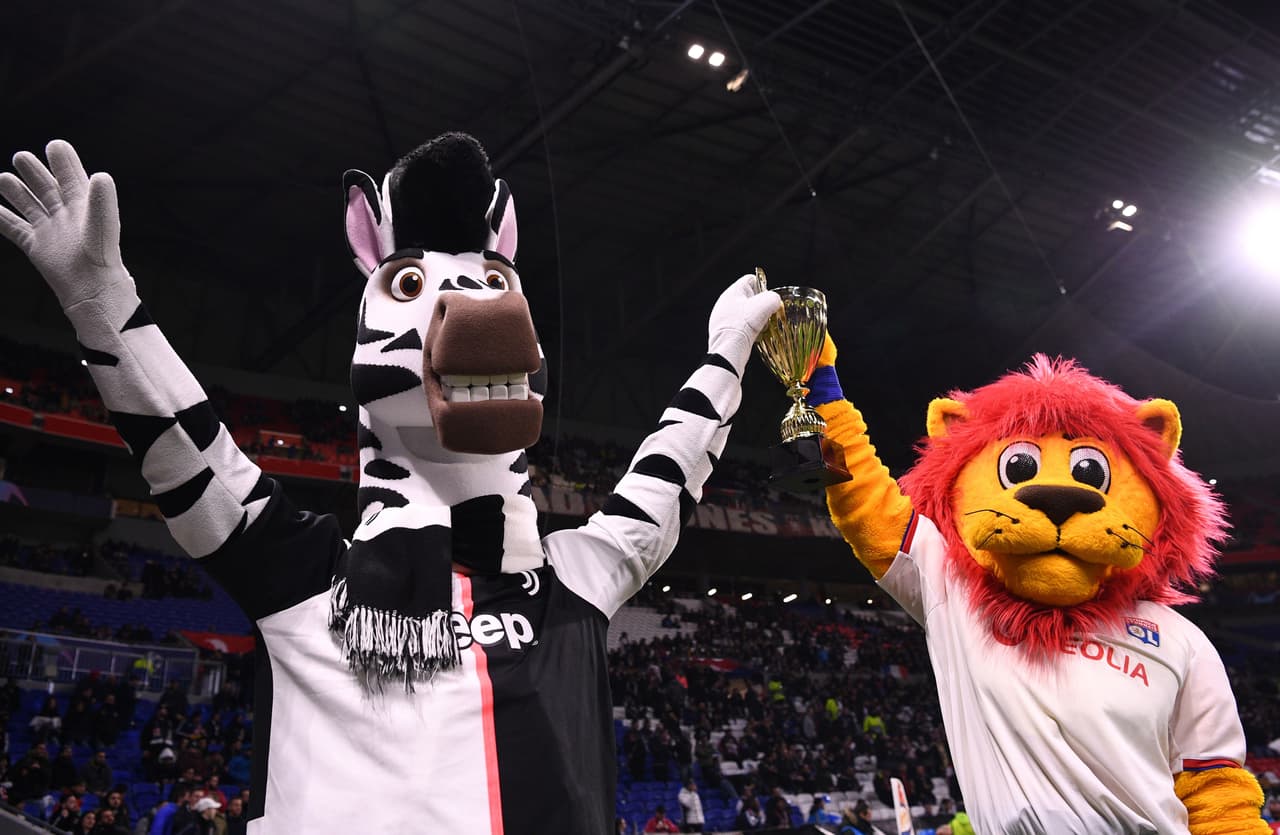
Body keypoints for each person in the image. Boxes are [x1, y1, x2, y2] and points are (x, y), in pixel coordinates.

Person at [0, 139, 779, 835]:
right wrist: (101, 302)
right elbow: (186, 446)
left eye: (491, 282)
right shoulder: (303, 577)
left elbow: (664, 479)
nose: (475, 308)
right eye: (410, 284)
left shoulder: (570, 580)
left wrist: (726, 354)